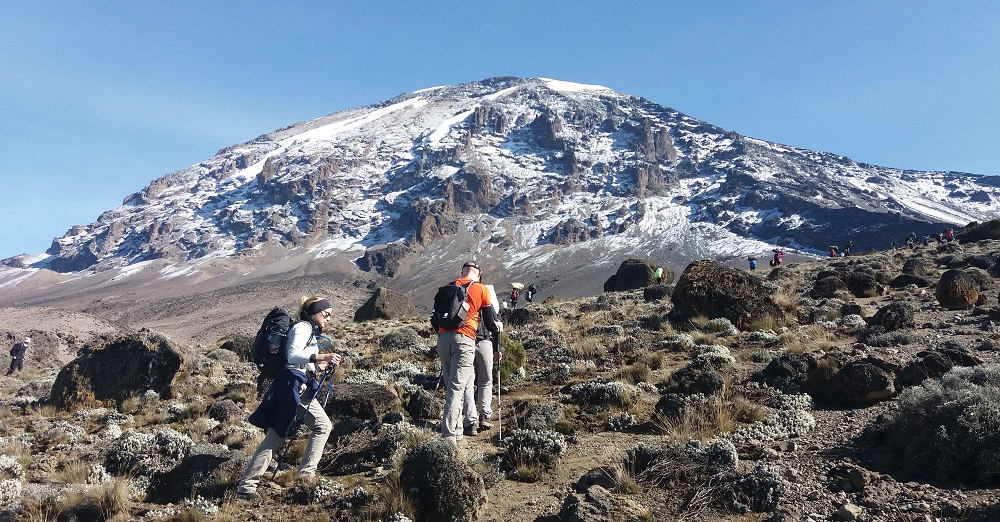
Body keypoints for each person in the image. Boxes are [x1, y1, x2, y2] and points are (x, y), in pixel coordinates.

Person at [237, 296, 342, 500]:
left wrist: (319, 366)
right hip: (291, 386)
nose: (328, 319)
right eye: (326, 314)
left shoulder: (309, 331)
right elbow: (292, 357)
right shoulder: (302, 328)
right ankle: (248, 487)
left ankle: (301, 476)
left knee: (316, 427)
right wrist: (321, 357)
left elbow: (302, 363)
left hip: (298, 384)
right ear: (314, 312)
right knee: (278, 435)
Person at [436, 261, 501, 446]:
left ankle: (458, 432)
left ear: (462, 272)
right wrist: (499, 327)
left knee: (452, 387)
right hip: (465, 340)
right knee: (457, 388)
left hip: (443, 339)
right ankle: (449, 436)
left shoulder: (449, 287)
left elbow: (435, 319)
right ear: (479, 273)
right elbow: (489, 323)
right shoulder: (481, 289)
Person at [462, 278, 503, 436]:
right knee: (485, 380)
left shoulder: (463, 301)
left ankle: (470, 421)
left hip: (466, 342)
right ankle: (485, 415)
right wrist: (497, 348)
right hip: (485, 342)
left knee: (467, 382)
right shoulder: (487, 302)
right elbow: (496, 326)